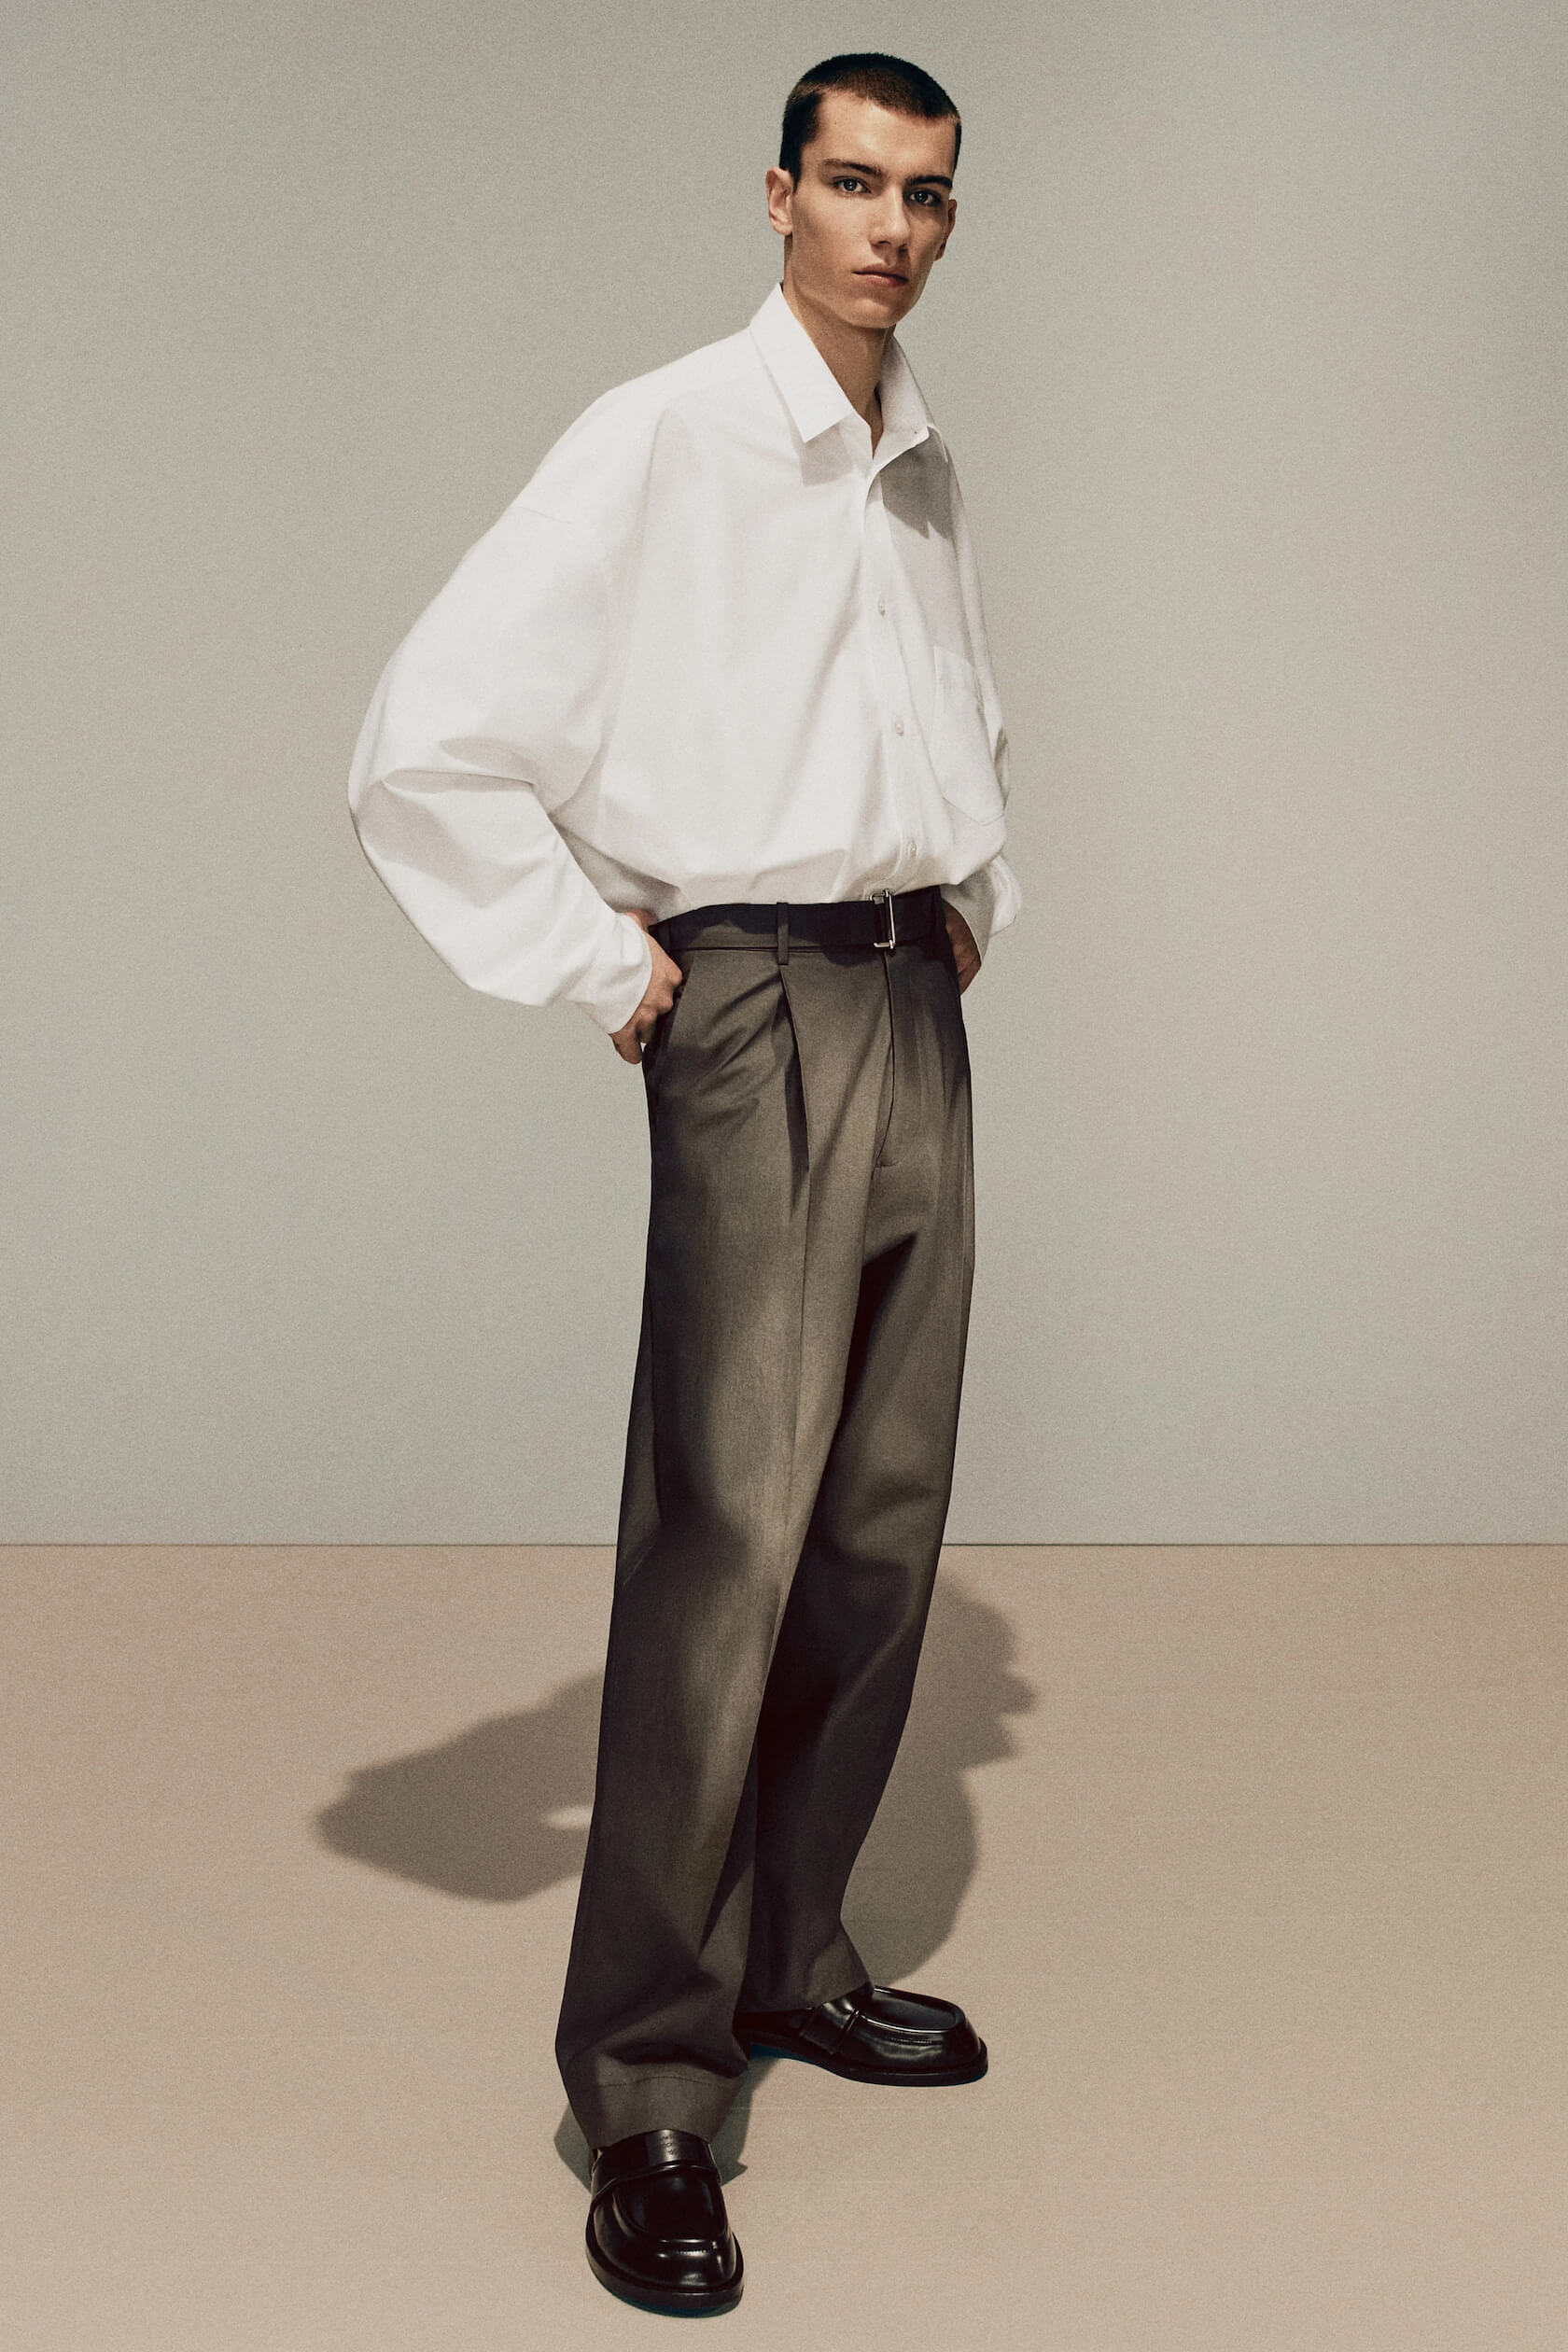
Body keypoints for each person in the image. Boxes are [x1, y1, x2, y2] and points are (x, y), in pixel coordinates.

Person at [347, 50, 1022, 2317]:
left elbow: (948, 710)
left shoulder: (919, 458)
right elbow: (425, 740)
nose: (890, 227)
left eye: (926, 195)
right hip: (749, 1009)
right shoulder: (665, 435)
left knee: (879, 1529)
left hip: (907, 1004)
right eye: (853, 183)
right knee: (727, 1545)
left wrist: (968, 898)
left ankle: (789, 1954)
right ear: (778, 195)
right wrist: (604, 966)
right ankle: (647, 2079)